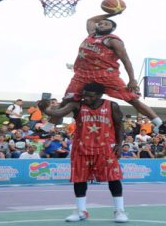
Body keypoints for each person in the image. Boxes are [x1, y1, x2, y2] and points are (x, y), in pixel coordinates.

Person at [39, 82, 128, 223]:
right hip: (81, 148)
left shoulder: (112, 106)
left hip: (105, 148)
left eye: (90, 96)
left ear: (99, 95)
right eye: (84, 94)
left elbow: (119, 126)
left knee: (113, 178)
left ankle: (119, 211)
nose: (86, 97)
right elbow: (59, 113)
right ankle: (80, 211)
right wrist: (46, 109)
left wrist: (119, 144)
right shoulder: (77, 105)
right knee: (79, 179)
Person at [62, 11, 162, 133]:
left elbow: (126, 60)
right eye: (101, 23)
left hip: (106, 75)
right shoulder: (91, 35)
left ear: (112, 29)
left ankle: (159, 124)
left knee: (132, 99)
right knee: (66, 100)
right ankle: (47, 128)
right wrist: (112, 13)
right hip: (83, 74)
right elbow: (91, 19)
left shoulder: (113, 40)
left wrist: (132, 80)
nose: (102, 25)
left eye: (106, 24)